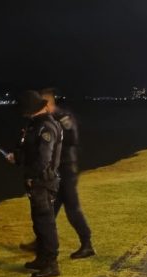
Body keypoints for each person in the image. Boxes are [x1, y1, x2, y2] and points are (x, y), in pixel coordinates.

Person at [20, 89, 95, 259]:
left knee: (72, 210)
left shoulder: (62, 118)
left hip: (67, 171)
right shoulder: (43, 121)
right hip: (55, 173)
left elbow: (72, 139)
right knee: (48, 211)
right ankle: (41, 242)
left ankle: (87, 244)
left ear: (49, 103)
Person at [6, 90, 63, 277]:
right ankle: (42, 258)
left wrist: (31, 176)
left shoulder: (46, 127)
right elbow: (29, 151)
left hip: (43, 181)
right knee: (39, 222)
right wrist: (17, 157)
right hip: (37, 180)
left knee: (46, 222)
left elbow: (43, 160)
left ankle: (52, 263)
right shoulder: (35, 125)